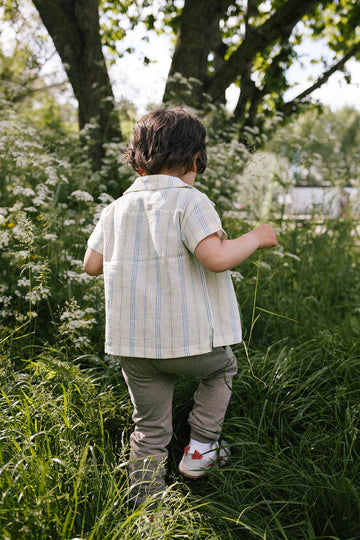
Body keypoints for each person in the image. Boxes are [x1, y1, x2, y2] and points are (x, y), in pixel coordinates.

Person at [83, 107, 277, 508]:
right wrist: (256, 237)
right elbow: (216, 257)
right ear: (195, 160)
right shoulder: (191, 201)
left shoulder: (116, 208)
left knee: (150, 429)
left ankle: (147, 509)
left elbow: (91, 266)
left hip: (134, 349)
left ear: (137, 160)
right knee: (224, 368)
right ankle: (202, 445)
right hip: (191, 345)